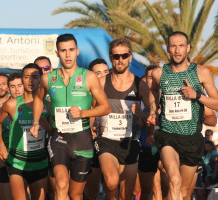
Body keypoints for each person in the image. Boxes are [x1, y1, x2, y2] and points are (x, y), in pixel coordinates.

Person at [30, 33, 111, 200]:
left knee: (76, 194)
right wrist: (35, 122)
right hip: (59, 139)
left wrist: (83, 113)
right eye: (63, 50)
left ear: (77, 51)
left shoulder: (89, 77)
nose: (67, 55)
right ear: (57, 53)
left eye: (71, 50)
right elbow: (38, 99)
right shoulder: (48, 78)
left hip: (83, 139)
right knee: (61, 185)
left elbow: (106, 107)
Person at [147, 31, 218, 200]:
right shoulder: (159, 73)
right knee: (174, 179)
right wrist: (152, 110)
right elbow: (153, 92)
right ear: (168, 50)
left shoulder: (201, 72)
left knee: (183, 194)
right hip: (168, 136)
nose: (177, 50)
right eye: (173, 46)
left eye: (181, 46)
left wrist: (197, 96)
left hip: (192, 138)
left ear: (188, 48)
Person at [95, 37, 150, 200]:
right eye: (116, 56)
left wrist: (142, 115)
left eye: (124, 55)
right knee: (111, 183)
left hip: (130, 143)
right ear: (111, 58)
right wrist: (91, 125)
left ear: (130, 57)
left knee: (127, 194)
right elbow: (91, 108)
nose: (120, 60)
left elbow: (152, 115)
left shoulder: (140, 85)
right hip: (106, 140)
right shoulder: (102, 82)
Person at [0, 64, 51, 200]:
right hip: (17, 162)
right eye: (27, 77)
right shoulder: (12, 104)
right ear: (22, 79)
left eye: (35, 77)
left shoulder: (48, 105)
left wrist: (47, 126)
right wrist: (1, 145)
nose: (31, 81)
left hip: (40, 162)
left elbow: (55, 132)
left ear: (41, 79)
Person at [84, 58, 110, 200]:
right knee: (92, 191)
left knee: (112, 186)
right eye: (98, 73)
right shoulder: (86, 95)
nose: (103, 76)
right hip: (92, 144)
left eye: (106, 72)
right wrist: (89, 129)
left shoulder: (118, 91)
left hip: (113, 143)